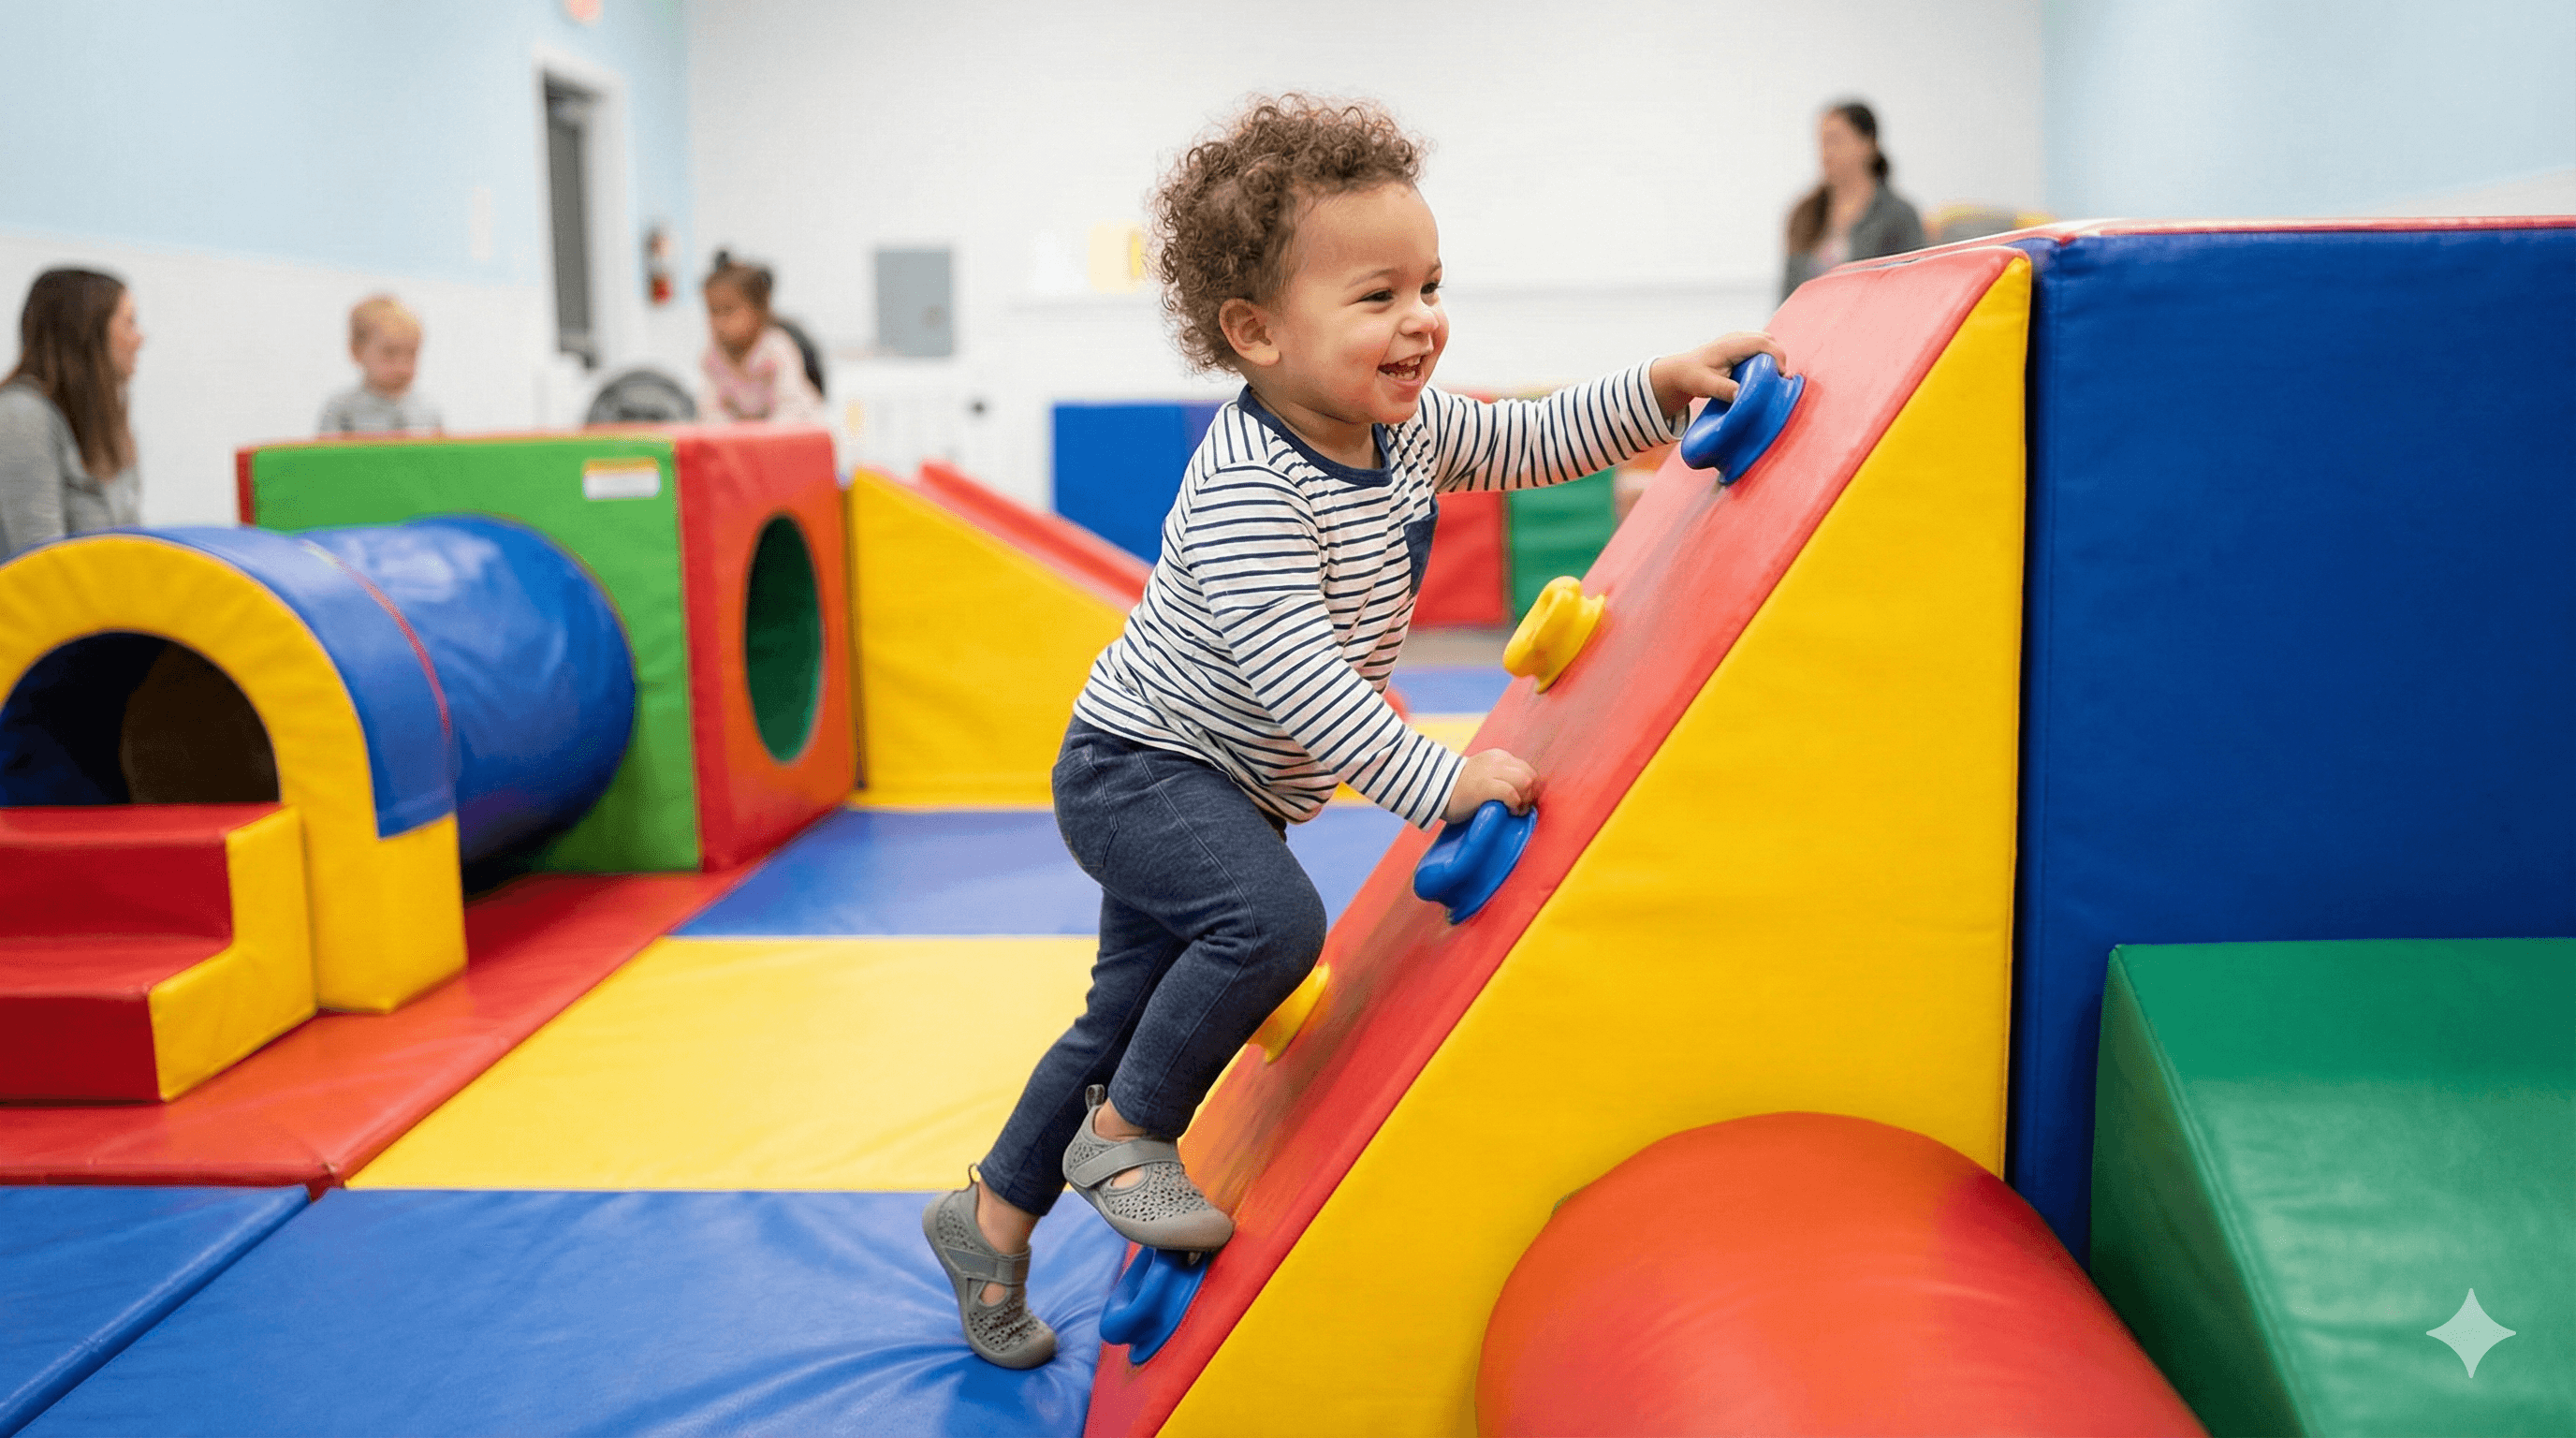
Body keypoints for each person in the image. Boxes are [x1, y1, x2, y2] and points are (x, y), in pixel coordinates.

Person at [918, 94, 1789, 1369]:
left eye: (1430, 285)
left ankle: (988, 1224)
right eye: (1378, 297)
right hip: (1140, 767)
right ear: (1255, 331)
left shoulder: (1402, 428)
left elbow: (1529, 435)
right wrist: (1442, 784)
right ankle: (1127, 1139)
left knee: (1121, 1019)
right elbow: (1307, 688)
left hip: (1223, 781)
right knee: (1269, 925)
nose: (1421, 319)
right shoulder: (1249, 490)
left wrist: (1657, 391)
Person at [0, 268, 143, 562]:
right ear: (88, 332)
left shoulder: (108, 425)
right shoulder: (22, 414)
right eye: (129, 323)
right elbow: (40, 565)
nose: (140, 338)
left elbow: (135, 548)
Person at [1780, 100, 1925, 301]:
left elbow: (1913, 292)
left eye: (1835, 140)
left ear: (1867, 144)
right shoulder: (1803, 214)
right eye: (1822, 142)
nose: (1826, 153)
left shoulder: (1899, 216)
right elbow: (1787, 299)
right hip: (1809, 321)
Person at [699, 252, 824, 423]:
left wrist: (761, 435)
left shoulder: (776, 348)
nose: (719, 321)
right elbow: (710, 409)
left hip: (797, 428)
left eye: (728, 311)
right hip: (747, 434)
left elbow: (792, 406)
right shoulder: (712, 357)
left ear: (758, 312)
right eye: (713, 311)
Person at [317, 296, 442, 434]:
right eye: (390, 353)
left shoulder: (430, 414)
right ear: (356, 351)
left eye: (411, 354)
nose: (401, 367)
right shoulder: (341, 412)